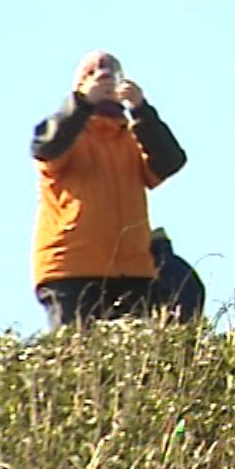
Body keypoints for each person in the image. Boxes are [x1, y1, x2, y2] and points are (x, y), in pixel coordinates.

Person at [30, 50, 188, 330]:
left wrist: (141, 109)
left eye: (110, 72)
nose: (102, 76)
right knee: (77, 351)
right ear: (78, 87)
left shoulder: (131, 138)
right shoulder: (64, 134)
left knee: (136, 354)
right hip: (72, 269)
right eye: (90, 73)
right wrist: (82, 103)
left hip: (133, 271)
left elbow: (169, 162)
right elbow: (46, 147)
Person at [149, 227, 207, 324]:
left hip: (173, 316)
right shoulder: (181, 264)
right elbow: (200, 289)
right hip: (188, 317)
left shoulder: (158, 264)